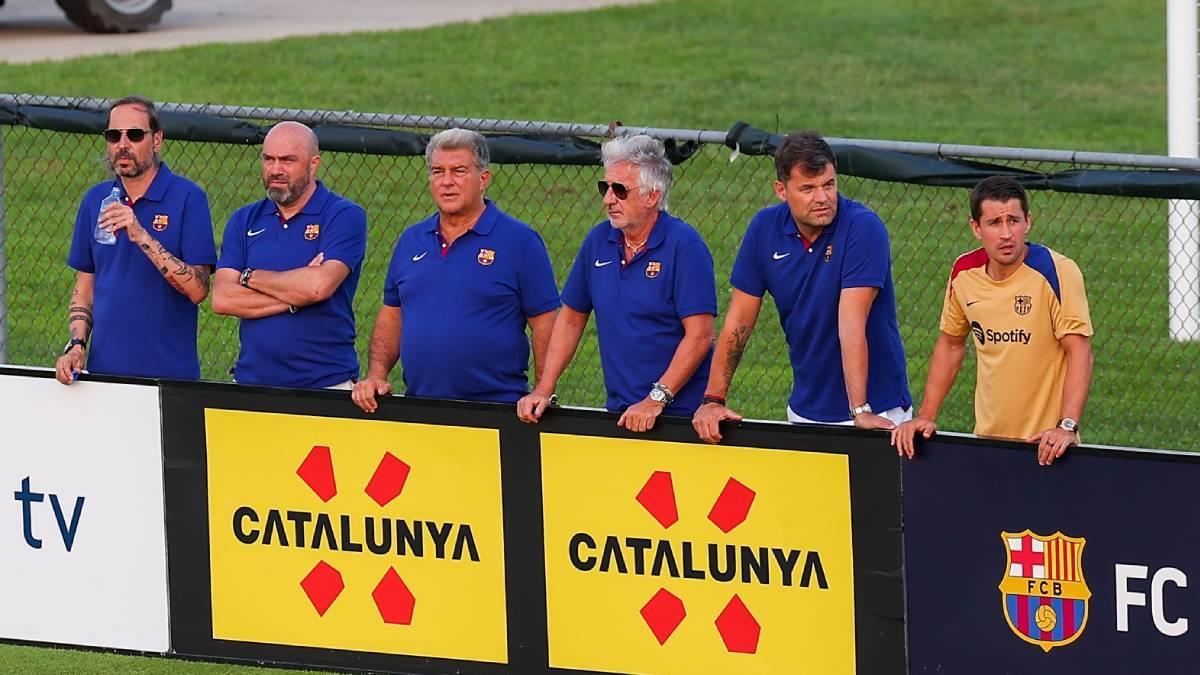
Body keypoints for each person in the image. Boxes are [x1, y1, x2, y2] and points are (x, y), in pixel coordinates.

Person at [693, 130, 911, 443]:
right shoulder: (763, 230)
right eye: (807, 188)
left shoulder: (863, 227)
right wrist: (713, 400)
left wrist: (859, 409)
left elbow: (851, 321)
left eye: (829, 184)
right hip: (806, 412)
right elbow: (738, 322)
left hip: (878, 413)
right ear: (781, 190)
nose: (822, 197)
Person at [516, 134, 716, 432]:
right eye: (605, 187)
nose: (608, 199)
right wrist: (545, 387)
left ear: (652, 196)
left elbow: (700, 336)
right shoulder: (598, 241)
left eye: (620, 190)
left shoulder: (685, 247)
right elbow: (571, 319)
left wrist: (656, 399)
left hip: (680, 416)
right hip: (621, 412)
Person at [351, 128, 559, 411]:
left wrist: (543, 391)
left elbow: (545, 323)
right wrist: (377, 374)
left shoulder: (520, 242)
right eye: (438, 172)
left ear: (483, 179)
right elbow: (393, 315)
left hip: (496, 411)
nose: (447, 182)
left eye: (458, 171)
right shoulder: (411, 240)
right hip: (420, 407)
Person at [891, 176, 1093, 465]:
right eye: (994, 223)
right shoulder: (963, 273)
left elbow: (1080, 351)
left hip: (1048, 447)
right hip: (987, 445)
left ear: (1028, 222)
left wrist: (1067, 427)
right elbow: (950, 344)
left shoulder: (1057, 271)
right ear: (976, 227)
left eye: (1013, 220)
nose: (1006, 234)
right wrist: (926, 416)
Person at [56, 95, 216, 385]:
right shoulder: (96, 201)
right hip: (104, 378)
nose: (123, 145)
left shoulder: (188, 198)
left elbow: (198, 289)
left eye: (135, 135)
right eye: (114, 136)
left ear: (157, 140)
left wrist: (141, 234)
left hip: (169, 380)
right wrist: (76, 344)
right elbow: (85, 286)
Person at [211, 121, 367, 389]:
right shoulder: (244, 219)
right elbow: (223, 299)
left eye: (287, 160)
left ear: (313, 163)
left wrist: (249, 277)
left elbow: (318, 288)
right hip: (251, 384)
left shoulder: (344, 215)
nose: (275, 170)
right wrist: (296, 296)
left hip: (325, 385)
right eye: (268, 159)